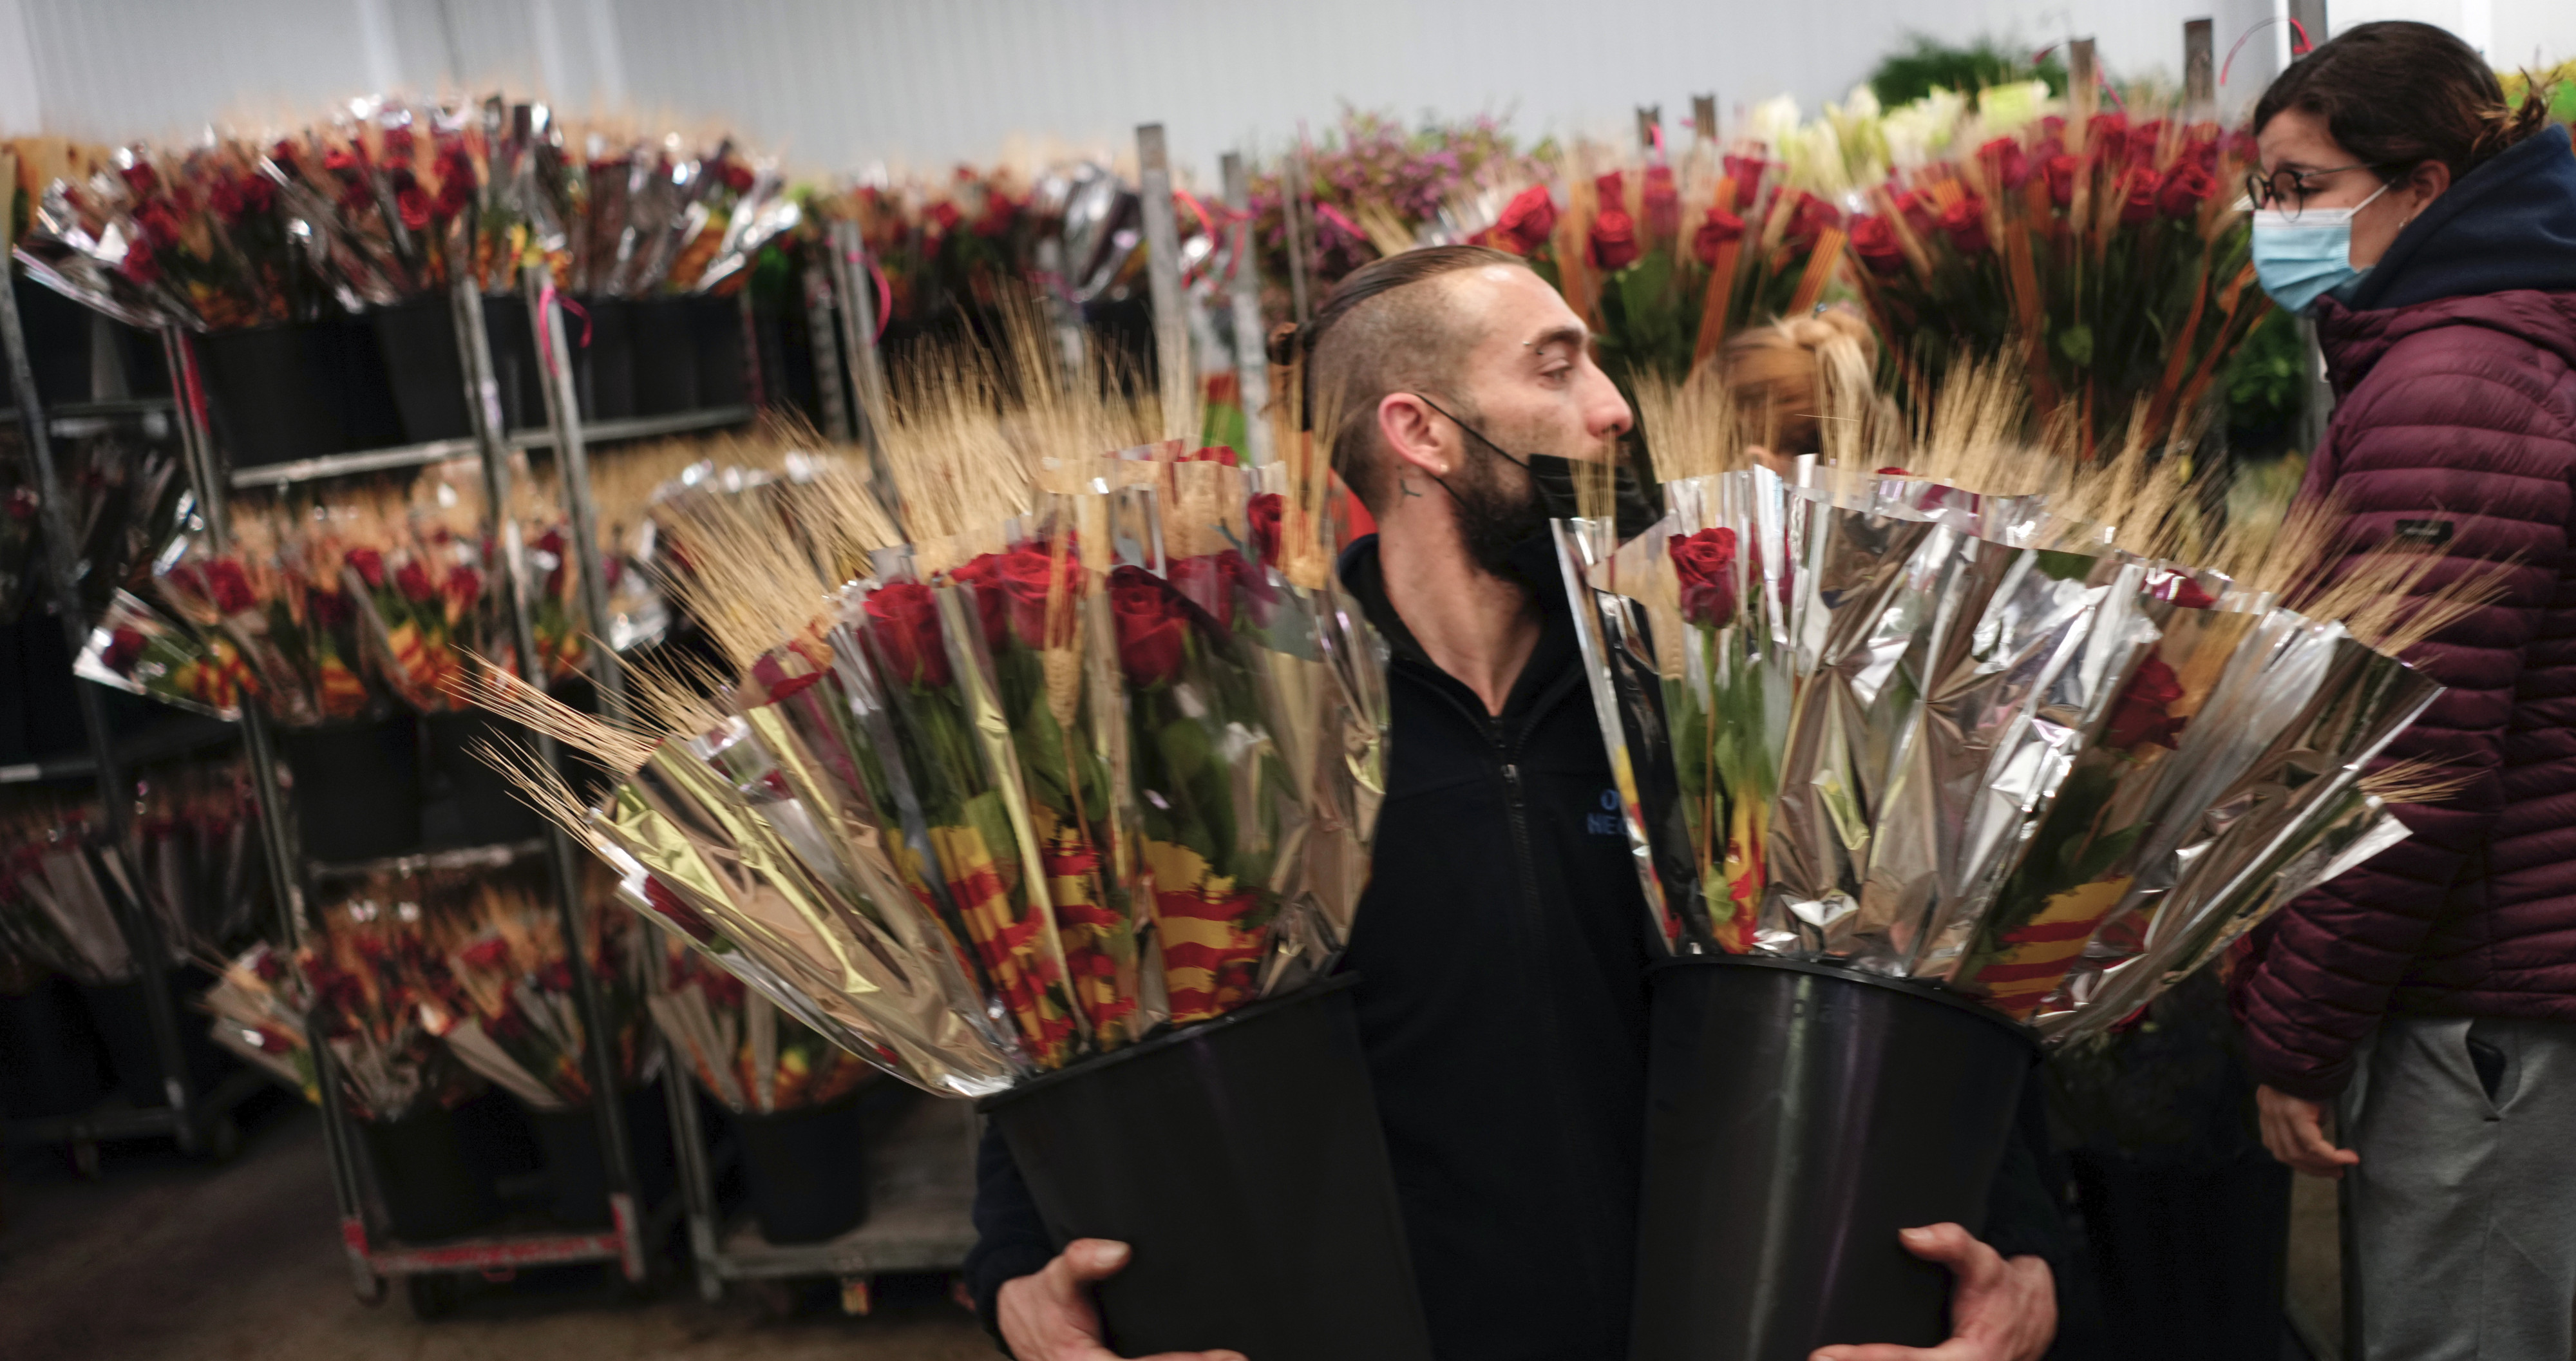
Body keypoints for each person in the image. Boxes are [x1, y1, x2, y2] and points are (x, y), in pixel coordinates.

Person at [965, 244, 2059, 1361]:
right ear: (1421, 431)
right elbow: (1087, 1026)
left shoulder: (1706, 680)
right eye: (1556, 370)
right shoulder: (1244, 719)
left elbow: (1912, 986)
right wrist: (1015, 1278)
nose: (1617, 409)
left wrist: (2026, 1257)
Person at [2230, 21, 2576, 1361]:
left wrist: (2291, 1030)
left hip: (2474, 1006)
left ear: (2422, 187)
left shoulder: (2455, 384)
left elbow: (2409, 753)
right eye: (2261, 188)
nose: (2270, 221)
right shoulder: (2481, 343)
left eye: (2299, 187)